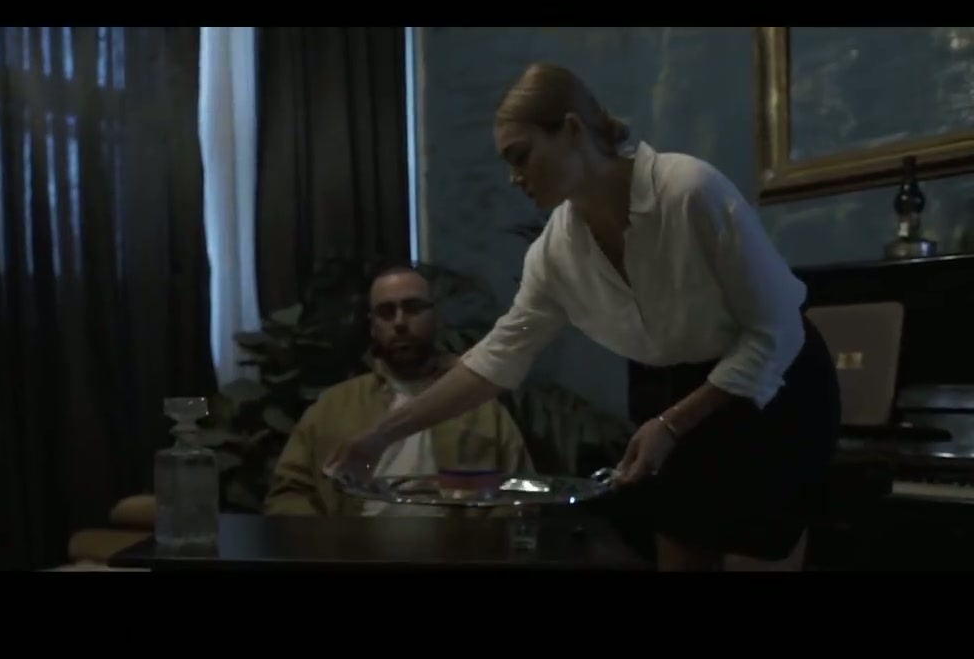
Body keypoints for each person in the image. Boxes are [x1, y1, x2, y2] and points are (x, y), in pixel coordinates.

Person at [325, 64, 841, 571]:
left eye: (521, 156)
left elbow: (777, 329)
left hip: (779, 384)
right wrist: (382, 435)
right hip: (680, 392)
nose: (514, 177)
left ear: (572, 130)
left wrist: (671, 423)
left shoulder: (687, 191)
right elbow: (496, 360)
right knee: (679, 544)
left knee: (754, 550)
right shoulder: (557, 251)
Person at [266, 266, 533, 518]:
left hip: (456, 547)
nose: (400, 322)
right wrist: (329, 542)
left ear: (435, 317)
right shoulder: (332, 407)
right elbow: (288, 493)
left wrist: (482, 543)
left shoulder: (481, 410)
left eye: (413, 308)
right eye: (386, 312)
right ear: (372, 326)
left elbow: (521, 493)